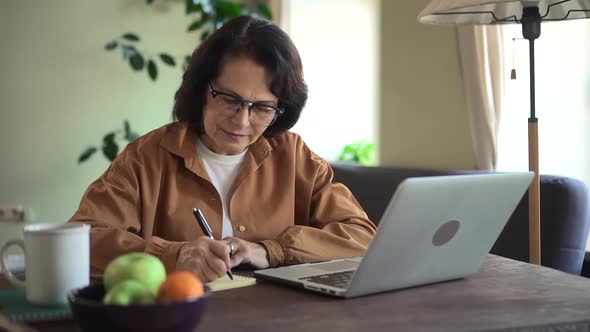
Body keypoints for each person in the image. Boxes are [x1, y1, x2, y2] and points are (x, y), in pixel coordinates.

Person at [68, 16, 376, 283]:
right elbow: (79, 242)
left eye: (262, 107)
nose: (242, 121)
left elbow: (362, 236)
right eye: (229, 99)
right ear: (203, 89)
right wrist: (174, 257)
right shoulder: (148, 156)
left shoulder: (294, 156)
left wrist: (273, 251)